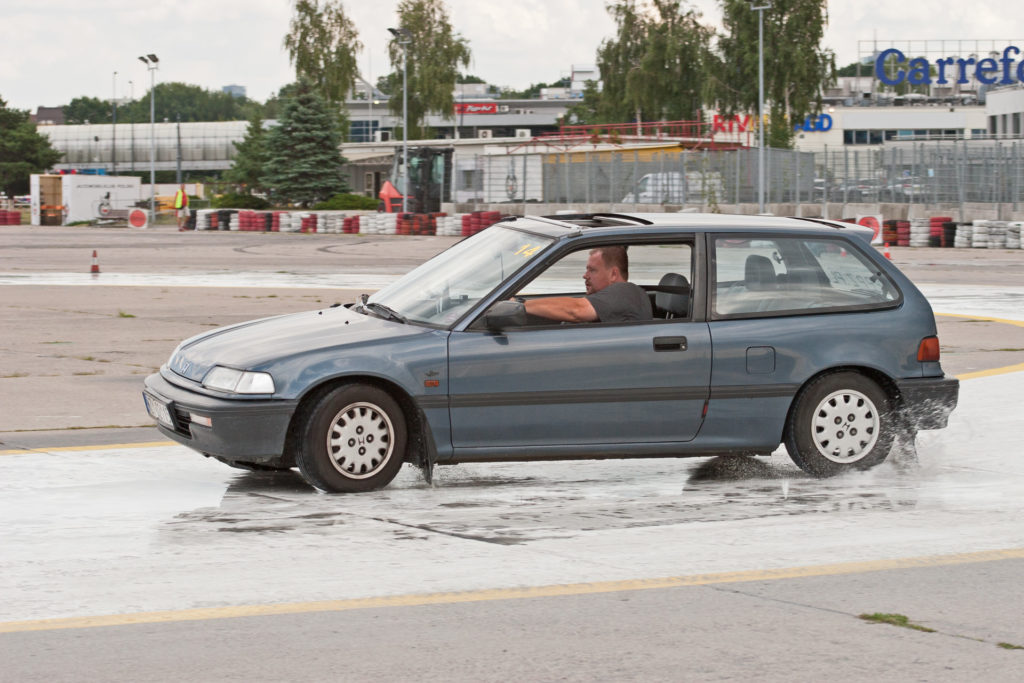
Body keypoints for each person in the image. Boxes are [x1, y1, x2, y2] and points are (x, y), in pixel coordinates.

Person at [523, 246, 653, 323]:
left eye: (592, 270)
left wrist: (521, 306)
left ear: (613, 274)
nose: (585, 275)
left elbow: (577, 310)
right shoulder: (613, 297)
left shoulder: (625, 292)